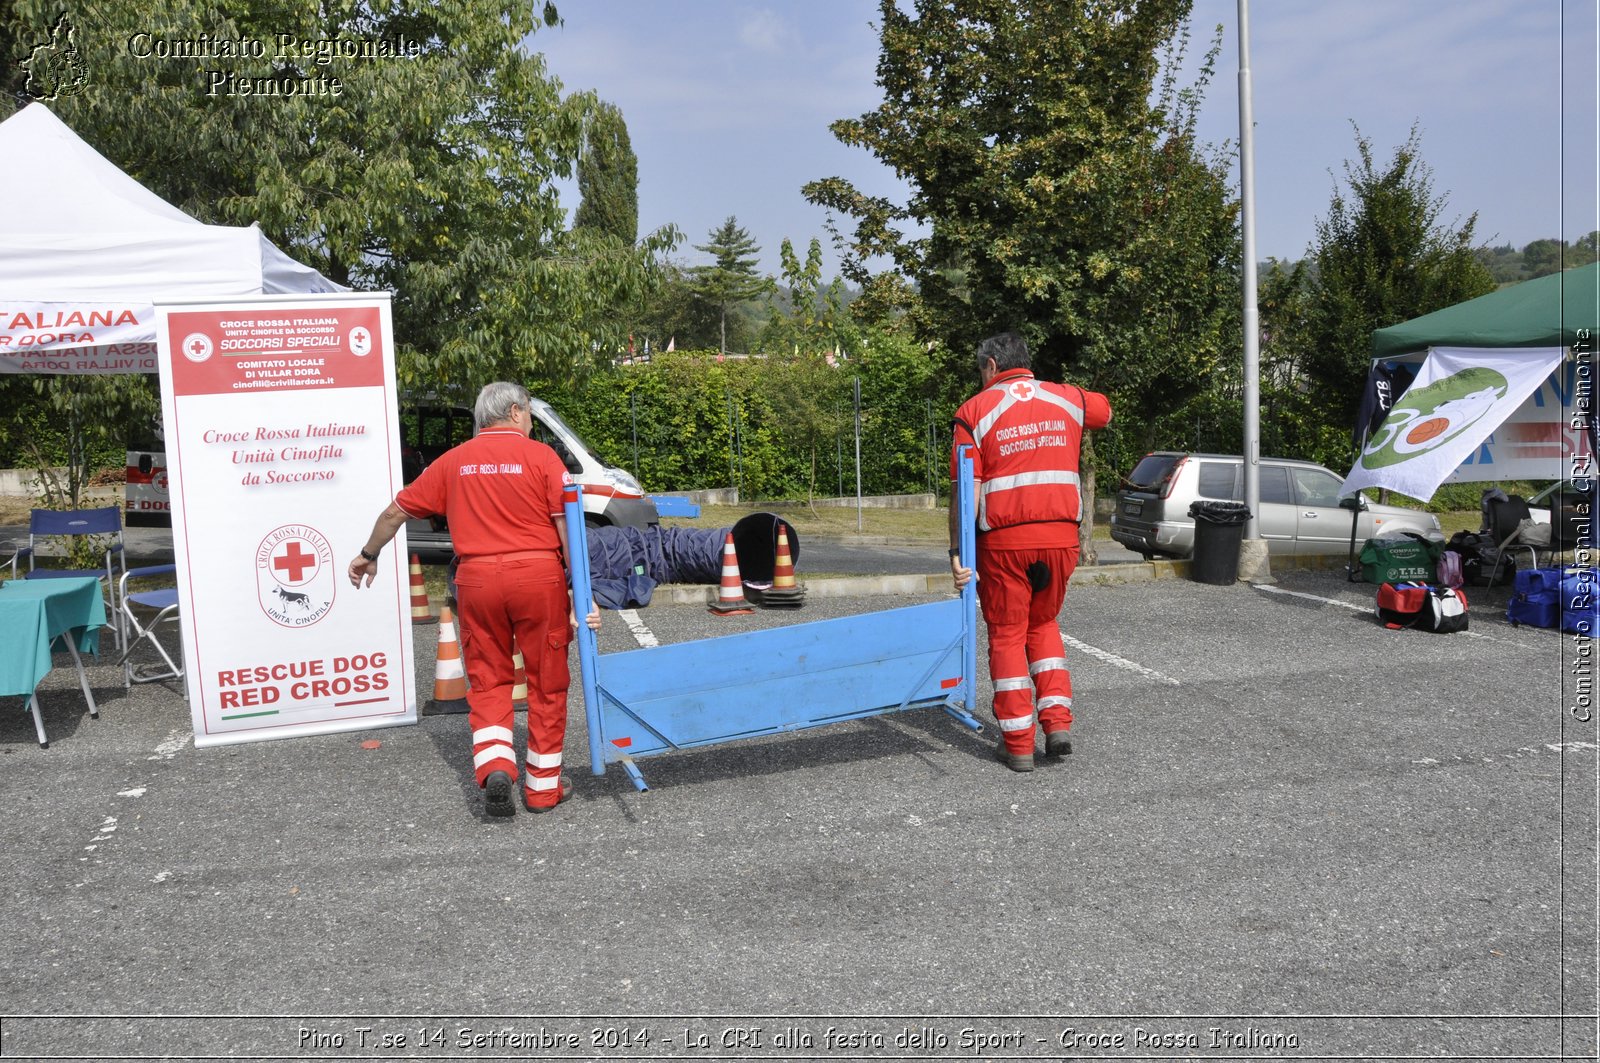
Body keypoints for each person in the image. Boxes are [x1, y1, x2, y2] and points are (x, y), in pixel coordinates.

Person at [348, 382, 600, 817]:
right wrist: (584, 598)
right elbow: (567, 531)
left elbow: (395, 513)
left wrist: (368, 554)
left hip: (477, 580)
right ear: (518, 412)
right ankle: (542, 790)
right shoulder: (542, 458)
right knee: (547, 683)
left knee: (488, 682)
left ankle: (496, 768)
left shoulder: (453, 462)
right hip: (538, 577)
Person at [949, 331, 1112, 773]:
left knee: (1006, 634)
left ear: (991, 367)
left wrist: (958, 553)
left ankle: (1018, 743)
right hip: (1061, 541)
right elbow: (1105, 410)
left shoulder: (973, 412)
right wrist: (1062, 398)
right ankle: (1057, 725)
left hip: (1004, 545)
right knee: (1043, 624)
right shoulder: (1067, 399)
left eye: (980, 370)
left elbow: (967, 491)